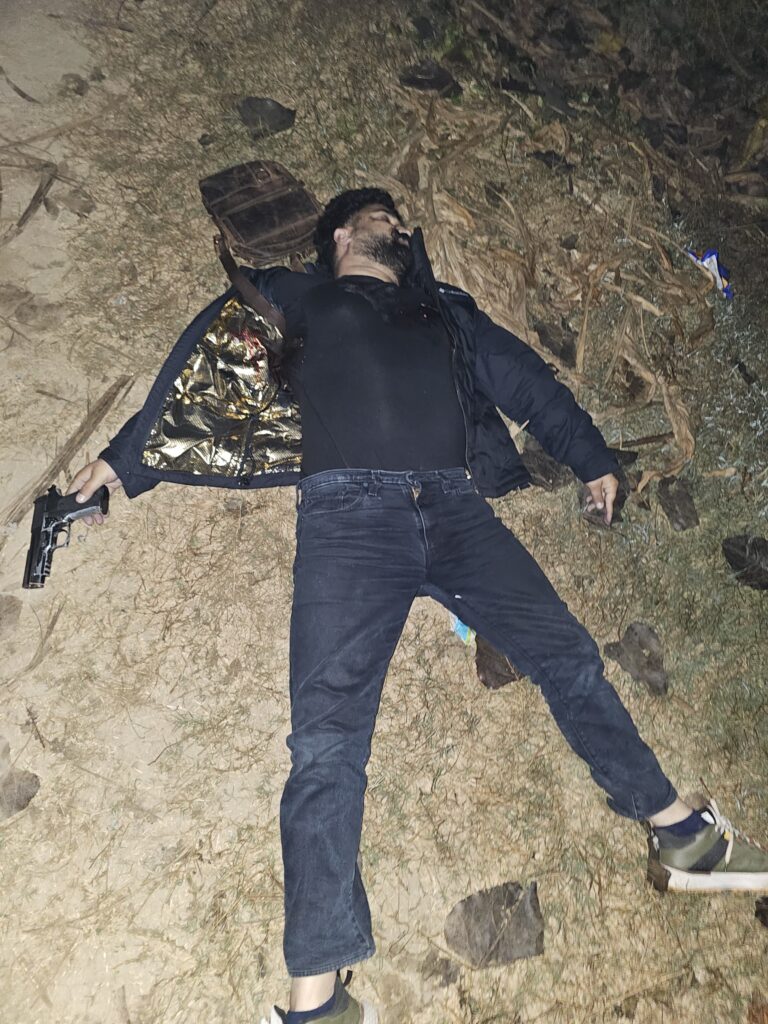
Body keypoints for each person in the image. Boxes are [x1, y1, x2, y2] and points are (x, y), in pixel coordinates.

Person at [69, 188, 768, 1024]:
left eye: (401, 223)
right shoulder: (297, 296)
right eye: (381, 218)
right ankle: (316, 1000)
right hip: (348, 519)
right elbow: (202, 382)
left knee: (569, 656)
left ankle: (680, 833)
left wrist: (591, 457)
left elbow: (526, 381)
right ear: (339, 233)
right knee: (326, 742)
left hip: (456, 509)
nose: (398, 227)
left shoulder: (443, 311)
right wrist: (119, 466)